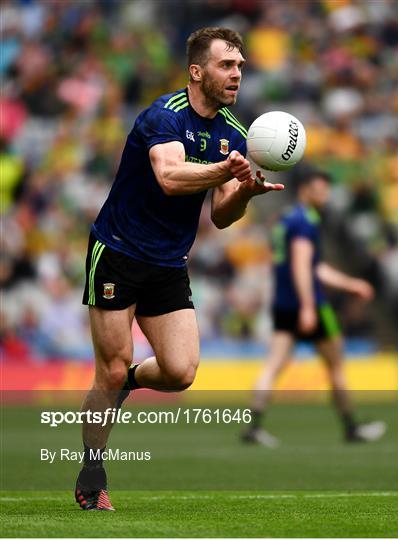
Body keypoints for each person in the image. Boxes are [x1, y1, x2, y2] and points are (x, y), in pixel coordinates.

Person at [75, 27, 284, 511]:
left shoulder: (234, 131)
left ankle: (127, 381)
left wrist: (245, 193)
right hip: (119, 252)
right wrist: (226, 172)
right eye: (226, 65)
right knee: (107, 367)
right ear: (197, 71)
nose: (237, 74)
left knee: (181, 371)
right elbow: (169, 177)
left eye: (240, 66)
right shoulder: (162, 116)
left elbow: (221, 215)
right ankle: (92, 474)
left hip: (168, 261)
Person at [242, 169, 386, 448]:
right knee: (336, 366)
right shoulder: (306, 222)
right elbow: (302, 265)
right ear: (305, 190)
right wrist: (308, 307)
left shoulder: (285, 220)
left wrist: (349, 284)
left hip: (284, 303)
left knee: (273, 365)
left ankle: (254, 426)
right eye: (320, 190)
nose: (325, 195)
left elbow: (307, 265)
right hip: (311, 305)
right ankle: (351, 427)